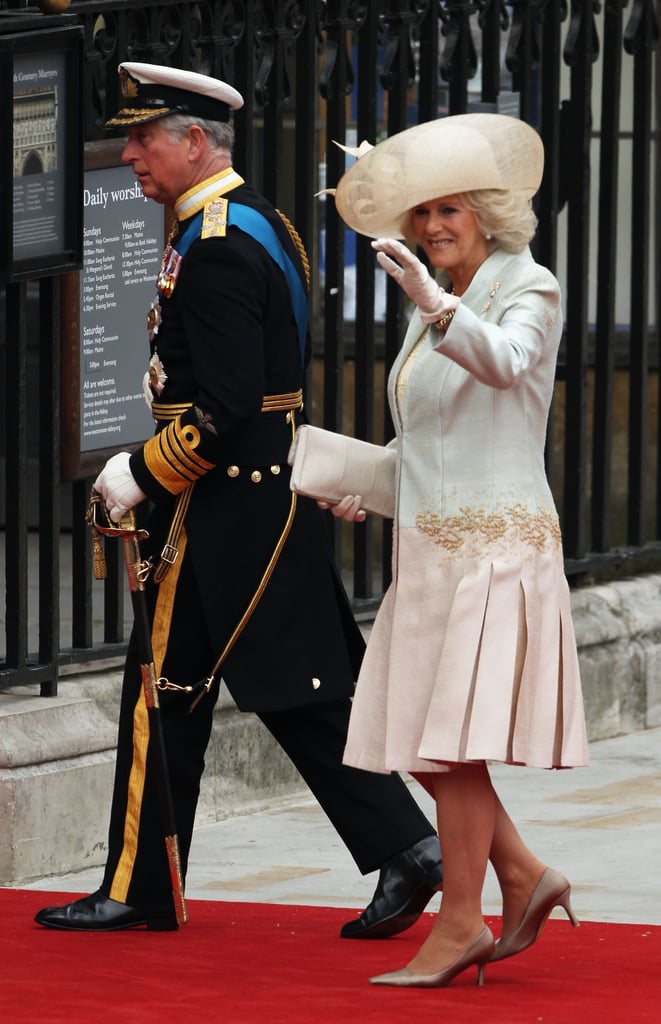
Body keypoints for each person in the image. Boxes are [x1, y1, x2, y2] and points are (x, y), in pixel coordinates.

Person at [34, 62, 442, 935]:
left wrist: (141, 472)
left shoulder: (217, 243)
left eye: (144, 139)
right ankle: (156, 881)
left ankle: (148, 886)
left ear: (193, 142)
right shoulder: (257, 219)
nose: (130, 154)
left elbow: (220, 408)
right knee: (236, 688)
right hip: (255, 496)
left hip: (222, 502)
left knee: (199, 686)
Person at [320, 112, 589, 987]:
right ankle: (521, 875)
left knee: (447, 744)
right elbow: (435, 436)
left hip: (493, 547)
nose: (433, 227)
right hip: (430, 547)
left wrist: (438, 307)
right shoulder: (432, 298)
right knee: (426, 738)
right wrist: (362, 481)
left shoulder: (527, 285)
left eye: (450, 211)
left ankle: (462, 920)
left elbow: (508, 366)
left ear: (486, 212)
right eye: (421, 213)